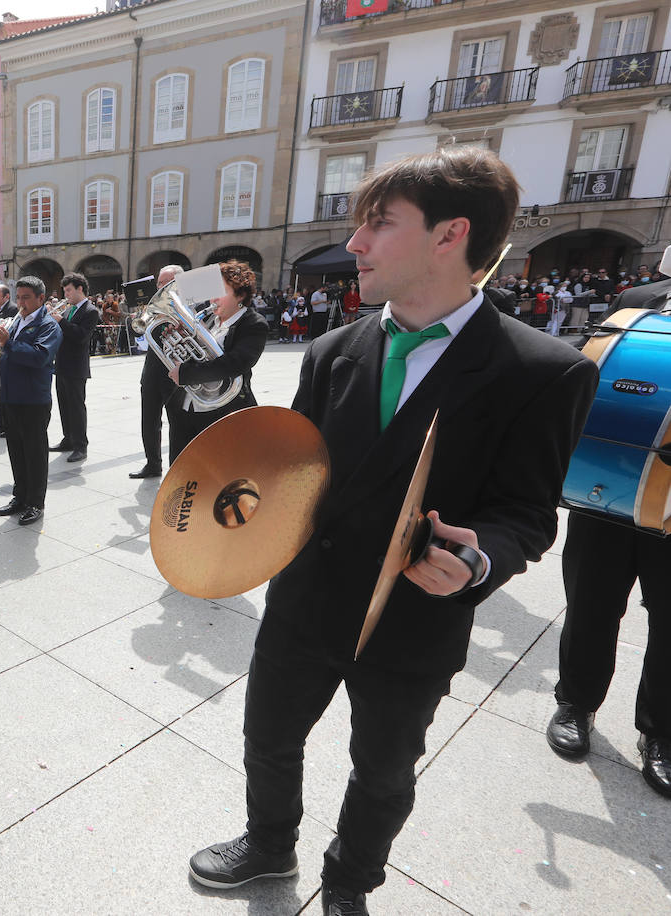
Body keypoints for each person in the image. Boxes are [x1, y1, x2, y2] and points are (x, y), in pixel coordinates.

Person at [186, 146, 598, 915]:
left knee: (383, 770)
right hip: (305, 597)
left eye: (379, 224)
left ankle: (348, 883)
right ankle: (270, 843)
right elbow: (295, 470)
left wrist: (479, 562)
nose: (355, 245)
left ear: (451, 237)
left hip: (413, 618)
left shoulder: (544, 369)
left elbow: (528, 516)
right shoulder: (331, 350)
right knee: (268, 737)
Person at [546, 270, 671, 799]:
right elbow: (592, 369)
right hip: (610, 487)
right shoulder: (638, 305)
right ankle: (576, 701)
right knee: (591, 602)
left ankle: (661, 731)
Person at [165, 260, 268, 464]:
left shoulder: (253, 324)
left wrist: (186, 374)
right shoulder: (209, 320)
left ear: (240, 295)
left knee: (217, 473)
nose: (213, 298)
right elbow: (194, 355)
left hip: (224, 412)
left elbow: (235, 363)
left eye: (221, 291)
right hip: (187, 408)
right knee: (182, 470)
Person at [0, 275, 61, 526]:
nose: (21, 303)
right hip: (10, 396)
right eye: (19, 297)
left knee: (34, 453)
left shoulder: (49, 325)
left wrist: (7, 344)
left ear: (41, 299)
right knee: (16, 450)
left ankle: (35, 502)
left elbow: (39, 357)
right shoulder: (15, 322)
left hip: (33, 399)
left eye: (26, 298)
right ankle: (19, 496)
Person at [130, 265, 183, 479]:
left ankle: (179, 468)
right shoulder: (154, 306)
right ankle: (153, 464)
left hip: (177, 371)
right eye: (159, 283)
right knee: (149, 419)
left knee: (178, 423)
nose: (160, 287)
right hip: (153, 370)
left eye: (166, 282)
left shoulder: (188, 306)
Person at [49, 272, 99, 463]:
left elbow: (81, 336)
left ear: (80, 289)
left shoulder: (91, 310)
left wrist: (61, 321)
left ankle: (80, 445)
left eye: (69, 290)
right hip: (61, 363)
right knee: (63, 404)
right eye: (65, 290)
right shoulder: (68, 309)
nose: (66, 294)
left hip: (76, 367)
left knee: (76, 406)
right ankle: (68, 439)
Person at [0, 283, 17, 436]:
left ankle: (7, 424)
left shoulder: (11, 309)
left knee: (4, 392)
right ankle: (1, 423)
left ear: (7, 296)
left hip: (5, 355)